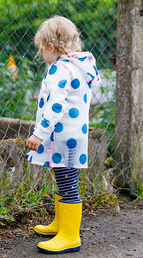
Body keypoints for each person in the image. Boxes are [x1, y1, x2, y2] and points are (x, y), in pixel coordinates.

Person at [25, 15, 100, 254]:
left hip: (62, 137)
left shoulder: (60, 69)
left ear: (50, 47)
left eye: (41, 50)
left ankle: (70, 235)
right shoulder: (78, 65)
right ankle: (60, 224)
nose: (42, 56)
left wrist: (39, 133)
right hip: (71, 137)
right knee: (63, 178)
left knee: (67, 183)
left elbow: (56, 106)